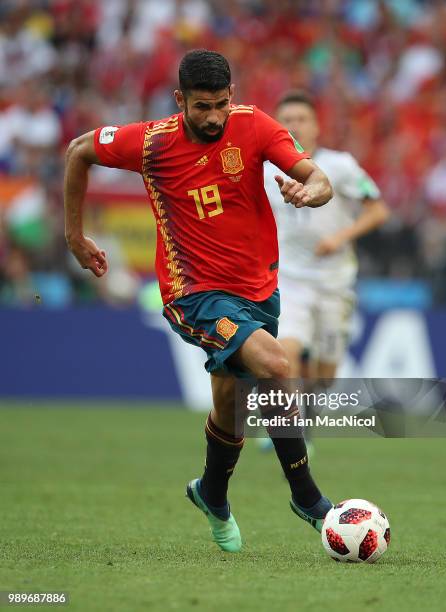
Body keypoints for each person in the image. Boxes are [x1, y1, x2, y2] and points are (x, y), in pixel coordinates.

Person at [64, 50, 334, 553]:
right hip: (194, 294)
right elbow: (80, 150)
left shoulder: (253, 127)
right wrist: (75, 237)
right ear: (179, 100)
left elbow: (317, 176)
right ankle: (308, 498)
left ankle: (211, 492)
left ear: (232, 96)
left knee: (231, 403)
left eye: (219, 105)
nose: (212, 117)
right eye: (201, 106)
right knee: (275, 364)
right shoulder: (151, 144)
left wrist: (311, 190)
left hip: (258, 290)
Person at [264, 90, 389, 443]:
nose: (294, 126)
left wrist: (340, 237)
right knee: (284, 354)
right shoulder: (263, 170)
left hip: (335, 281)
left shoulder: (341, 166)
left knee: (325, 374)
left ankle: (308, 424)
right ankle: (283, 428)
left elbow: (378, 210)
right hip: (288, 278)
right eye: (286, 120)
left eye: (301, 119)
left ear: (317, 126)